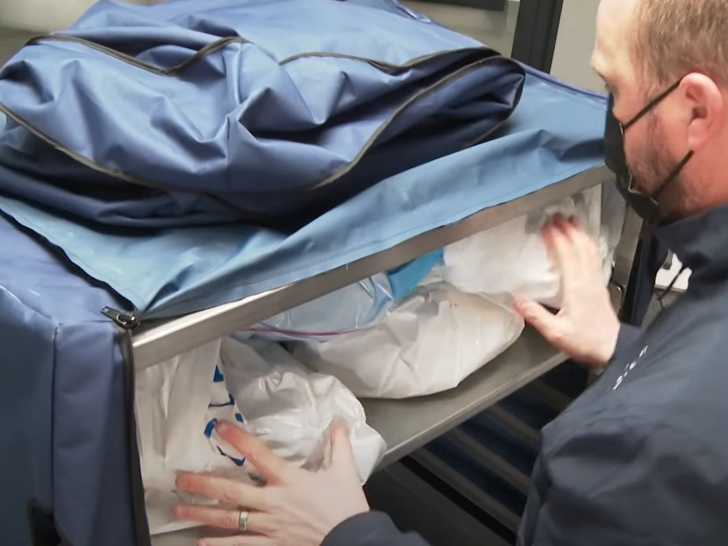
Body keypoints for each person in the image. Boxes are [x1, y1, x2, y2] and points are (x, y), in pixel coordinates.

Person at [172, 0, 728, 544]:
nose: (609, 114)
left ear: (697, 112)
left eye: (614, 87)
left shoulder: (641, 463)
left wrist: (345, 532)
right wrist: (628, 349)